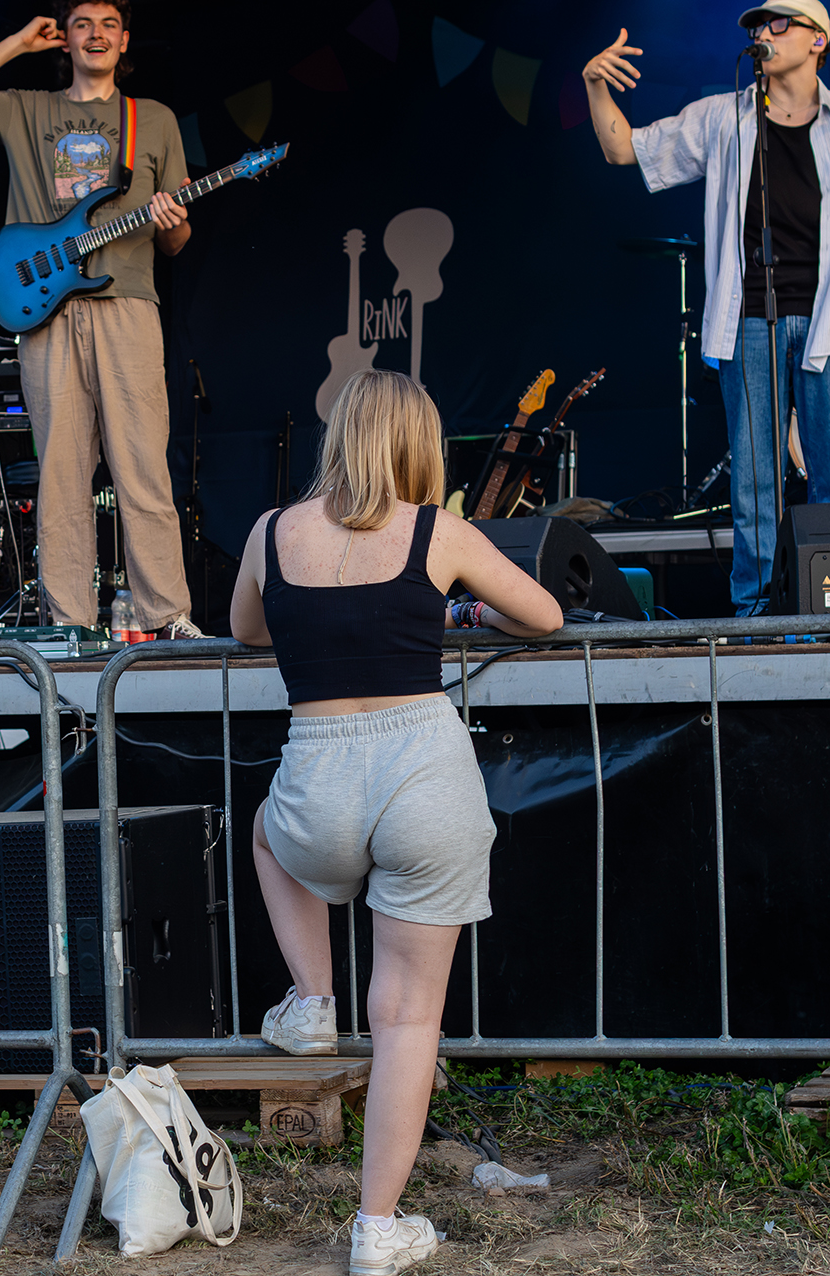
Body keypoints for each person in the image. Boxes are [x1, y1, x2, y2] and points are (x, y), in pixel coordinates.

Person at [228, 369, 562, 1274]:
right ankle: (378, 1228)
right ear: (419, 446)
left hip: (319, 771)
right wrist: (466, 609)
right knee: (409, 1019)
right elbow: (544, 614)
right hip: (423, 767)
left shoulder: (272, 532)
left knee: (265, 832)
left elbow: (247, 629)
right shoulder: (436, 532)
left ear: (339, 437)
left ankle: (312, 999)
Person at [583, 0, 830, 614]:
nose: (763, 35)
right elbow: (623, 148)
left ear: (817, 39)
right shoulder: (724, 116)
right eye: (758, 27)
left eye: (778, 24)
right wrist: (593, 85)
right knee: (755, 481)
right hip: (747, 320)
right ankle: (755, 610)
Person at [0, 0, 202, 638]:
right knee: (61, 473)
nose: (96, 34)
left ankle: (168, 616)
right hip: (46, 308)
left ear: (125, 40)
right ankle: (68, 622)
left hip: (127, 303)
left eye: (108, 24)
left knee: (141, 465)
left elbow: (176, 240)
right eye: (82, 24)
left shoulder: (152, 119)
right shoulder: (28, 109)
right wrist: (19, 42)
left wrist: (171, 222)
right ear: (65, 39)